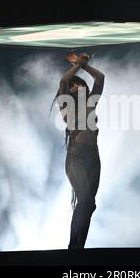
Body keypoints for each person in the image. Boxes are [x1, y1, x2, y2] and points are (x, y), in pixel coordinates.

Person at [52, 53, 105, 249]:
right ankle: (73, 248)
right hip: (77, 157)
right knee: (85, 200)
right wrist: (77, 65)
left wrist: (85, 65)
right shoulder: (65, 104)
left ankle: (79, 248)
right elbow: (64, 80)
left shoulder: (91, 103)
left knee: (90, 204)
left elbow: (100, 78)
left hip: (94, 157)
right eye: (74, 86)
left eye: (79, 83)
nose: (76, 86)